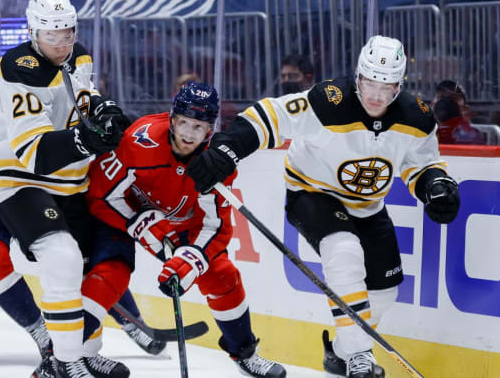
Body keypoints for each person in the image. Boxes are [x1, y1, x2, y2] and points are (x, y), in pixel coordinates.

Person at [186, 36, 461, 378]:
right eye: (369, 82)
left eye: (386, 86)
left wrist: (435, 185)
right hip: (312, 193)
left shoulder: (417, 117)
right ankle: (361, 356)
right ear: (358, 76)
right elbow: (268, 115)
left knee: (385, 292)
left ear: (399, 85)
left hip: (369, 206)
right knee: (343, 252)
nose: (376, 94)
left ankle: (342, 353)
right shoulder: (327, 101)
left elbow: (421, 163)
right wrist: (227, 150)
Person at [0, 88, 165, 362]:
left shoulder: (59, 106)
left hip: (46, 199)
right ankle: (41, 333)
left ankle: (130, 321)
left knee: (82, 256)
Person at [85, 81, 286, 378]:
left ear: (210, 128)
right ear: (172, 117)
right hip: (125, 212)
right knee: (109, 270)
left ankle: (245, 353)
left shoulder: (219, 161)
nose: (188, 135)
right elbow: (100, 192)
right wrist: (136, 221)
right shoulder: (140, 140)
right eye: (183, 123)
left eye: (199, 127)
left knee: (222, 275)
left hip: (187, 229)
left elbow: (216, 227)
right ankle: (74, 353)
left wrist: (190, 260)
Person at [0, 0, 130, 378]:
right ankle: (64, 363)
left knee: (86, 266)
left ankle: (82, 351)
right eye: (53, 35)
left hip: (68, 179)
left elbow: (80, 98)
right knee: (60, 256)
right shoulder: (17, 67)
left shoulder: (79, 56)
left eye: (68, 32)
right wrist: (84, 139)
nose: (62, 42)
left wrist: (101, 109)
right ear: (33, 32)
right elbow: (33, 151)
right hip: (16, 175)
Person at [431, 80, 484, 145]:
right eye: (441, 97)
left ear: (465, 109)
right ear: (432, 105)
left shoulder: (472, 137)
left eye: (453, 98)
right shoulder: (422, 134)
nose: (446, 102)